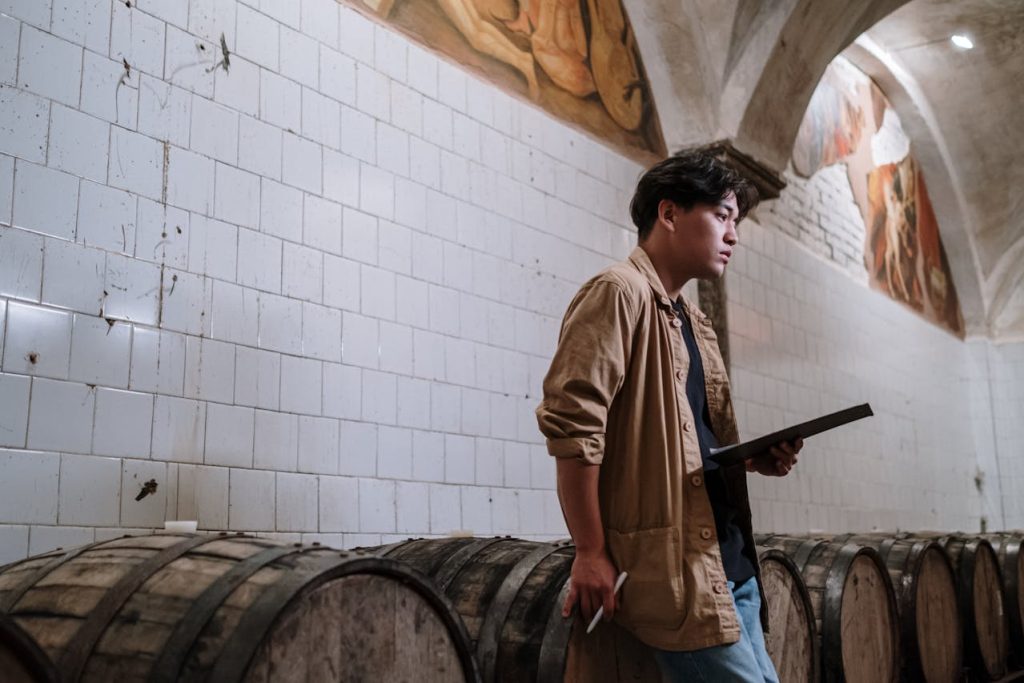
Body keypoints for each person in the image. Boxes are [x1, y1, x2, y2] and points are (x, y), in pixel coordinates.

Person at [536, 150, 802, 681]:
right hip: (679, 576)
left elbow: (683, 442)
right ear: (670, 213)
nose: (734, 234)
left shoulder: (694, 321)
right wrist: (589, 550)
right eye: (722, 215)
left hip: (731, 567)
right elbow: (574, 427)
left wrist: (748, 461)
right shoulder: (619, 293)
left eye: (737, 222)